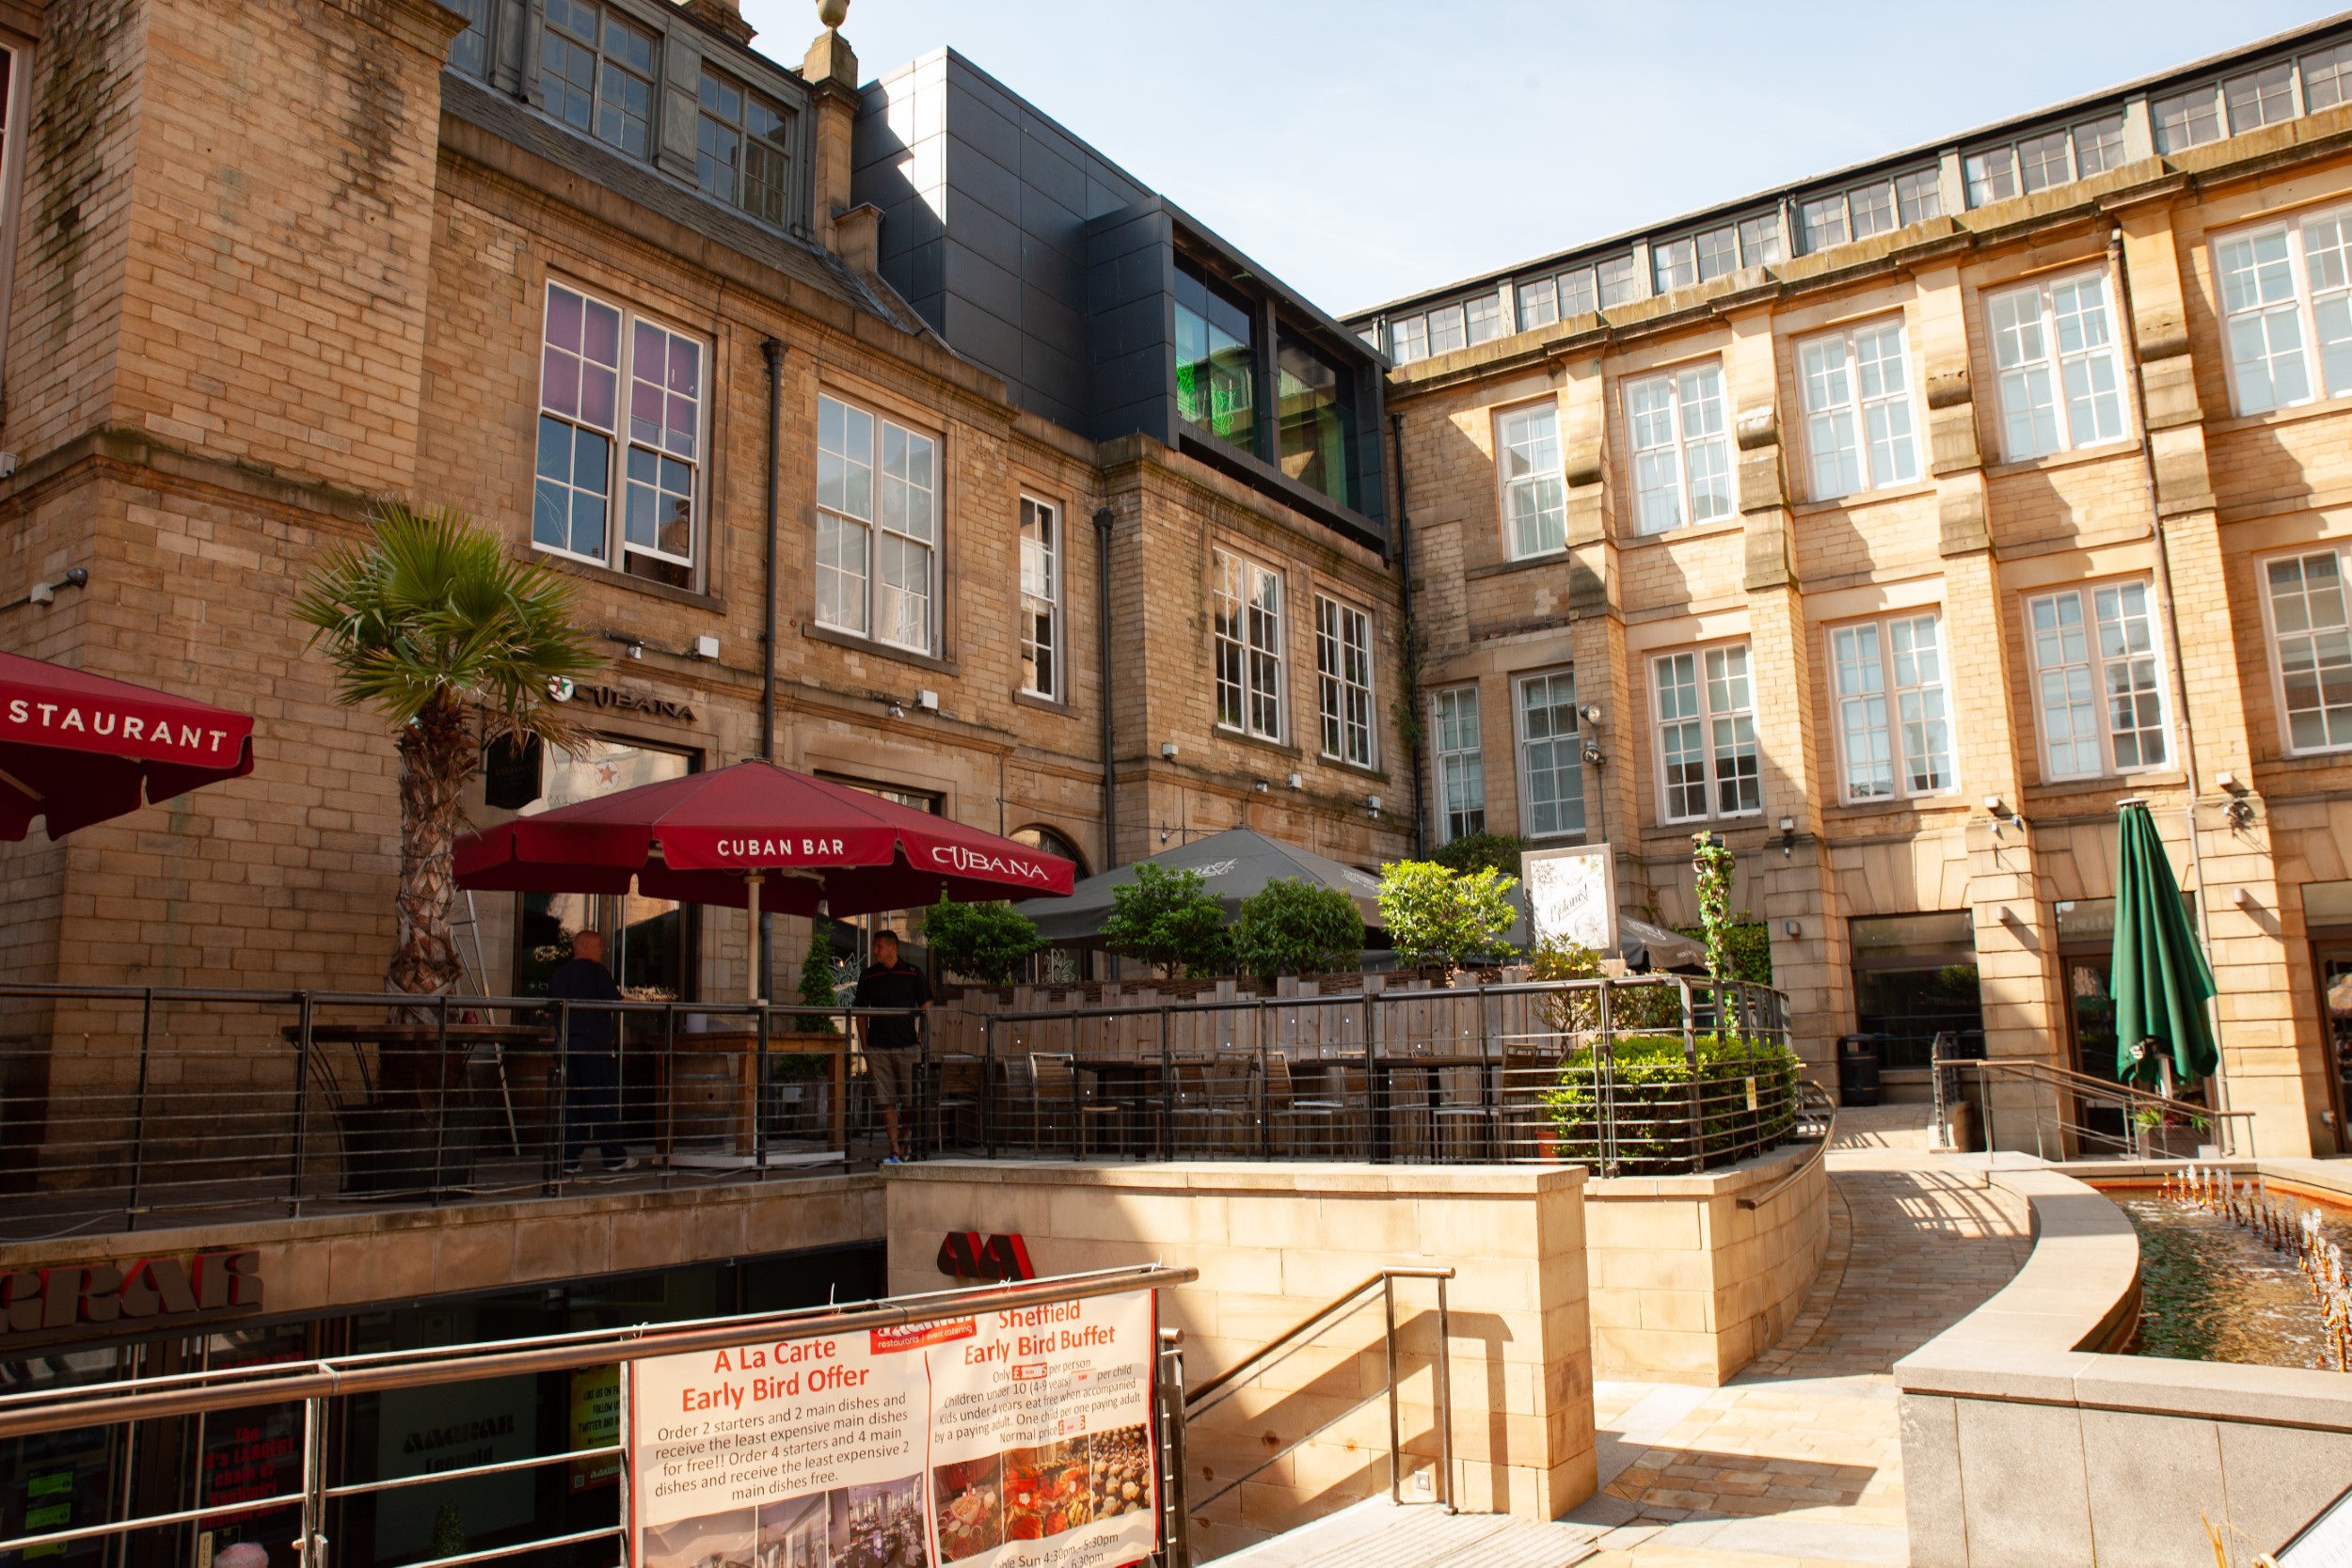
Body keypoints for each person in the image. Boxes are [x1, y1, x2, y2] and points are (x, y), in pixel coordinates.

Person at [547, 929, 636, 1174]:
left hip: (568, 1050)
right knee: (603, 1103)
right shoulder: (597, 972)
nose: (602, 951)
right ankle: (614, 1158)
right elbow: (614, 1001)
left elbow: (550, 1010)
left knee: (573, 1105)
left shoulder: (558, 976)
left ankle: (569, 1159)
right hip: (594, 1048)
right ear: (585, 945)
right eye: (600, 946)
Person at [855, 929, 930, 1164]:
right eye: (874, 946)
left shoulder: (912, 972)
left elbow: (926, 1004)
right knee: (884, 1099)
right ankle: (894, 1149)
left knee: (910, 1099)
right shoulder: (868, 976)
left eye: (878, 946)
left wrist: (921, 1036)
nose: (875, 950)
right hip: (878, 1048)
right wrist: (865, 1044)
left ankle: (905, 1135)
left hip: (907, 1046)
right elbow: (860, 1011)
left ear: (892, 948)